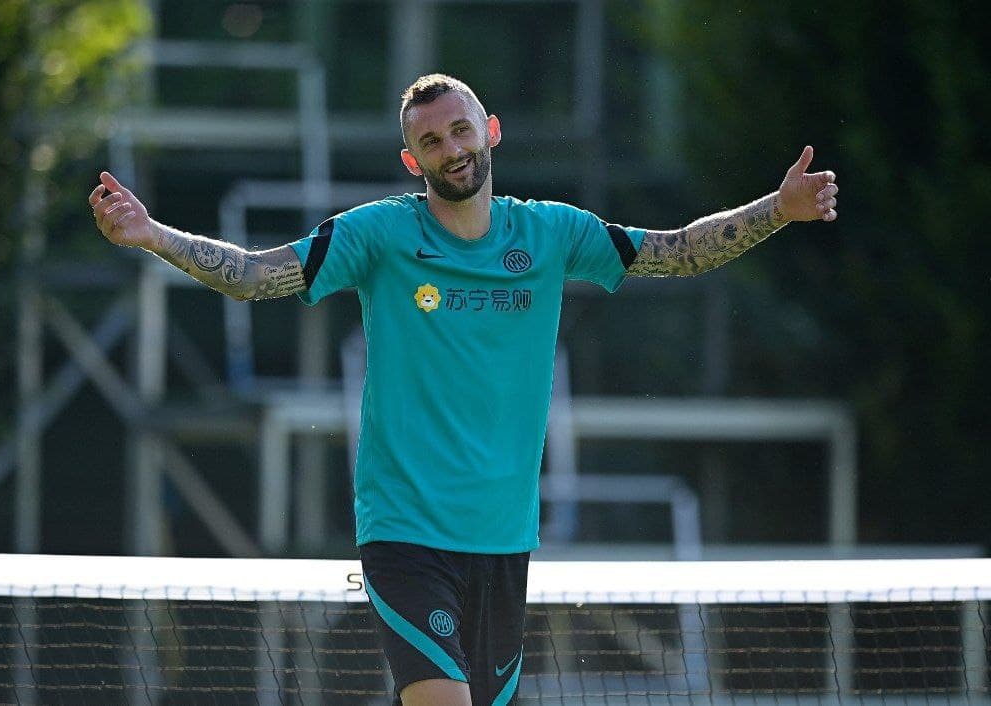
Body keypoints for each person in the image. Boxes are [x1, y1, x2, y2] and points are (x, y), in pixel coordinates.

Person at [90, 73, 839, 706]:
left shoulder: (551, 233)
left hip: (504, 540)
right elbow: (256, 275)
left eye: (460, 131)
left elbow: (674, 253)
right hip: (406, 534)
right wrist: (152, 235)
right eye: (432, 141)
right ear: (411, 160)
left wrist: (779, 209)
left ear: (491, 131)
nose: (451, 149)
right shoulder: (378, 235)